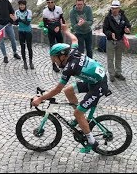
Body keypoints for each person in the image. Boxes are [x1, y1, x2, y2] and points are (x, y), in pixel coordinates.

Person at [31, 22, 109, 153]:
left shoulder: (69, 68)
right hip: (95, 79)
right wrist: (66, 31)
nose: (54, 62)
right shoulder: (72, 51)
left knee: (78, 112)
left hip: (99, 85)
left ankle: (91, 141)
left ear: (62, 56)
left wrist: (40, 99)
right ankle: (80, 119)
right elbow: (74, 39)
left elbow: (57, 90)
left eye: (55, 59)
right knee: (69, 91)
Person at [103, 0, 131, 82]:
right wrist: (110, 34)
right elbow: (105, 29)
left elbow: (128, 25)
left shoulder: (123, 16)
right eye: (112, 8)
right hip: (110, 41)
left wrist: (128, 29)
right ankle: (111, 74)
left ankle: (118, 73)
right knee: (110, 58)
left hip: (120, 40)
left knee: (119, 58)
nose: (114, 10)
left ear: (119, 8)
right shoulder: (108, 18)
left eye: (116, 8)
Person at [42, 0, 65, 72]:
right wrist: (53, 28)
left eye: (52, 2)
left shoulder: (59, 9)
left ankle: (62, 62)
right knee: (52, 48)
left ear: (54, 2)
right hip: (51, 32)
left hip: (58, 30)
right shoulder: (45, 11)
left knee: (62, 47)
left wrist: (59, 27)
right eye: (48, 2)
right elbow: (45, 24)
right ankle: (53, 65)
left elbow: (62, 19)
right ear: (47, 3)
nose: (50, 3)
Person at [14, 0, 34, 70]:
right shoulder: (16, 12)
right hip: (21, 32)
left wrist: (19, 20)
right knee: (22, 48)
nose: (22, 6)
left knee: (29, 47)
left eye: (23, 5)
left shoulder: (29, 12)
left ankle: (31, 62)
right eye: (20, 5)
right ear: (19, 5)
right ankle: (25, 62)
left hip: (28, 32)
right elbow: (16, 23)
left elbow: (28, 23)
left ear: (25, 5)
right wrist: (13, 20)